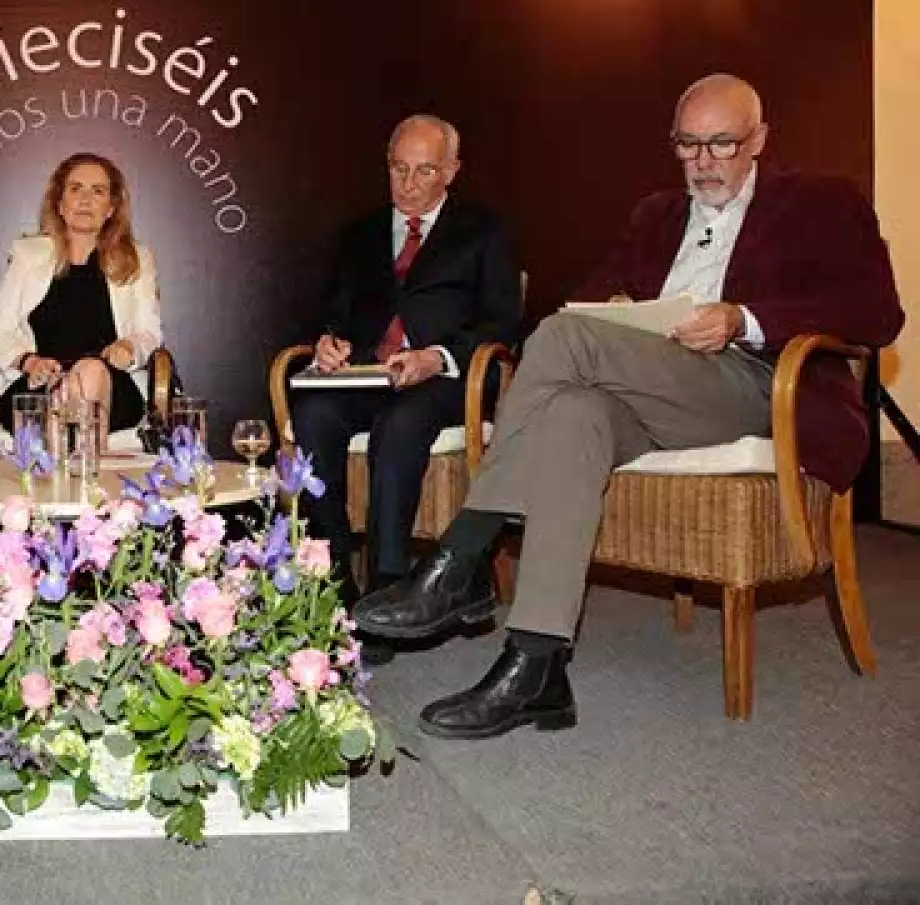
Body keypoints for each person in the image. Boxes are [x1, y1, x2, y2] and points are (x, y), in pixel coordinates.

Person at [355, 74, 905, 739]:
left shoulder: (820, 202)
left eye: (722, 144)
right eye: (687, 145)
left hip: (754, 385)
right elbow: (590, 296)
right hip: (648, 389)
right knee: (570, 415)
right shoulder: (656, 214)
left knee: (558, 338)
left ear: (759, 138)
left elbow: (879, 313)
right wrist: (612, 309)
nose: (703, 162)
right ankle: (536, 664)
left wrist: (747, 318)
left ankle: (465, 553)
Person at [292, 115, 522, 602]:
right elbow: (335, 313)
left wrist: (436, 358)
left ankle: (387, 584)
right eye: (399, 169)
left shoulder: (484, 231)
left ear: (451, 171)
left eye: (424, 171)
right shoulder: (361, 232)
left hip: (448, 378)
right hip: (370, 373)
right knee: (312, 413)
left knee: (400, 423)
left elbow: (502, 323)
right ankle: (332, 576)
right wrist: (329, 344)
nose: (409, 184)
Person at [0, 151, 163, 434]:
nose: (86, 200)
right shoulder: (28, 255)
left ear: (111, 208)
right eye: (75, 189)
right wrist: (29, 361)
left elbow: (149, 333)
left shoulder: (137, 258)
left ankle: (66, 465)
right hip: (41, 384)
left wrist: (129, 348)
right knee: (62, 393)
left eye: (98, 191)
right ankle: (82, 468)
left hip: (112, 387)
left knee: (89, 373)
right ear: (60, 204)